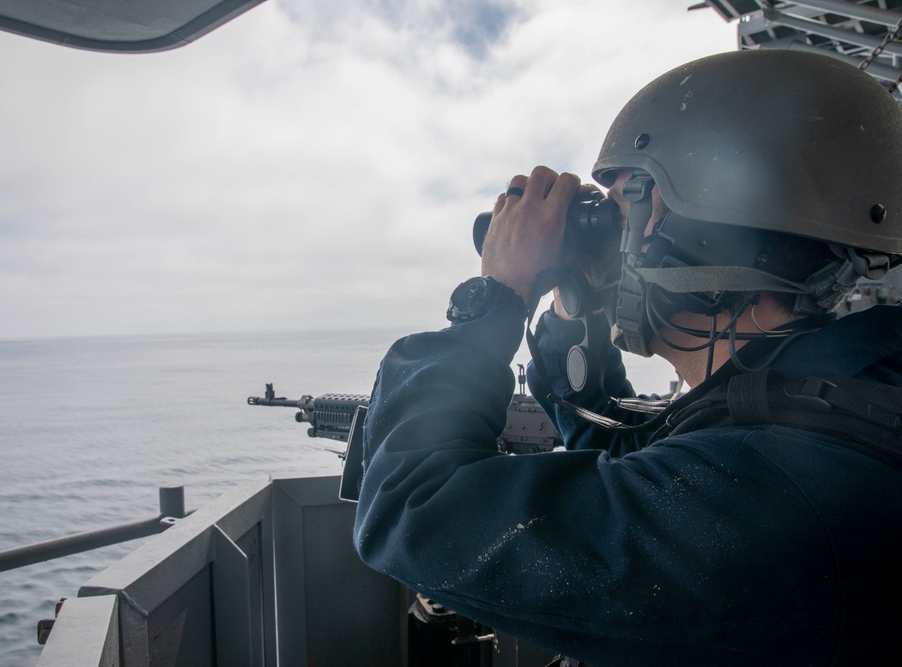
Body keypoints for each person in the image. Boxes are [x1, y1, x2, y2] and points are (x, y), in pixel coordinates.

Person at [352, 49, 902, 666]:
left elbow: (414, 510)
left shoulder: (775, 490)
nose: (609, 242)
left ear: (707, 229)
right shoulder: (830, 400)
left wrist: (496, 300)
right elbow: (630, 453)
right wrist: (573, 305)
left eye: (621, 212)